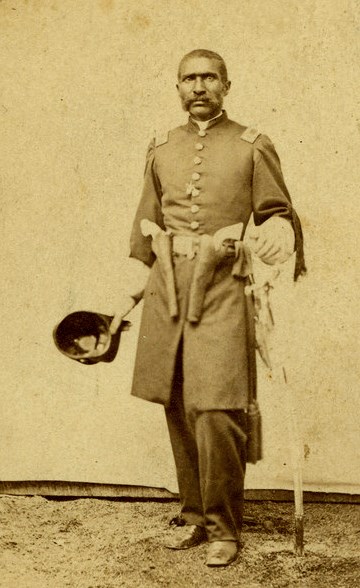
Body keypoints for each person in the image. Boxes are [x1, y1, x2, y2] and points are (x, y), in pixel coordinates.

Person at [110, 49, 305, 567]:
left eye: (209, 78)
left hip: (222, 286)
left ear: (226, 85)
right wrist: (124, 298)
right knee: (177, 403)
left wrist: (274, 237)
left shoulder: (252, 145)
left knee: (216, 408)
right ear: (177, 87)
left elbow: (279, 214)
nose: (199, 86)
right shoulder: (160, 146)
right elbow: (144, 227)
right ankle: (194, 515)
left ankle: (225, 527)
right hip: (167, 288)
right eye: (189, 78)